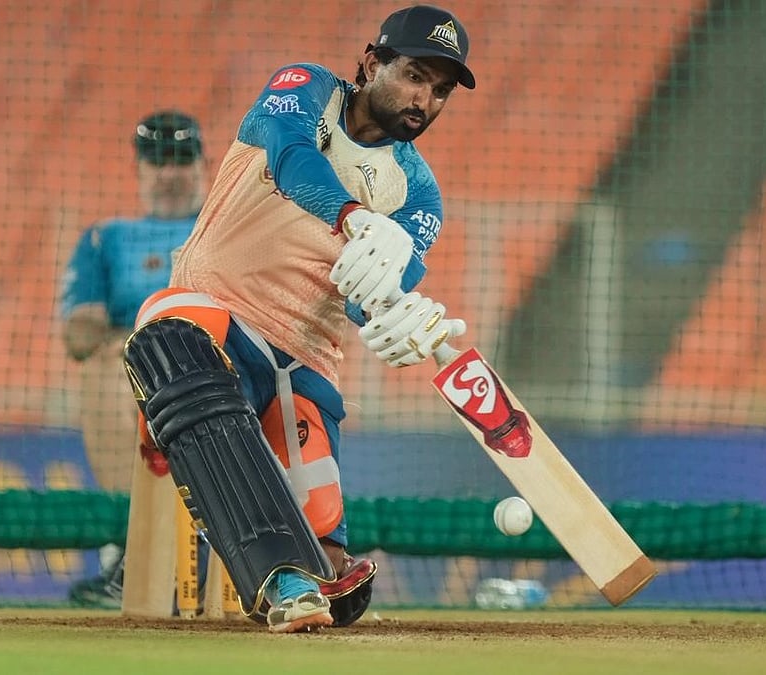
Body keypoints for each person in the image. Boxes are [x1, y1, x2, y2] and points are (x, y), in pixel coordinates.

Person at [122, 5, 474, 633]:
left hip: (302, 361)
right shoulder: (304, 87)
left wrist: (402, 315)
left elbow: (376, 294)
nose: (428, 99)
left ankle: (304, 572)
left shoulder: (419, 196)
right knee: (167, 335)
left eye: (442, 90)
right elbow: (290, 158)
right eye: (416, 76)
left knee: (330, 564)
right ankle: (279, 575)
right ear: (371, 63)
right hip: (213, 311)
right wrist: (353, 218)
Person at [58, 111, 208, 607]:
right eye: (157, 161)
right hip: (138, 373)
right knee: (103, 368)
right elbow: (79, 336)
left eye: (180, 160)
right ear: (140, 169)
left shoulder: (223, 228)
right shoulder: (108, 238)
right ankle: (134, 547)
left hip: (217, 364)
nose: (169, 173)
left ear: (201, 164)